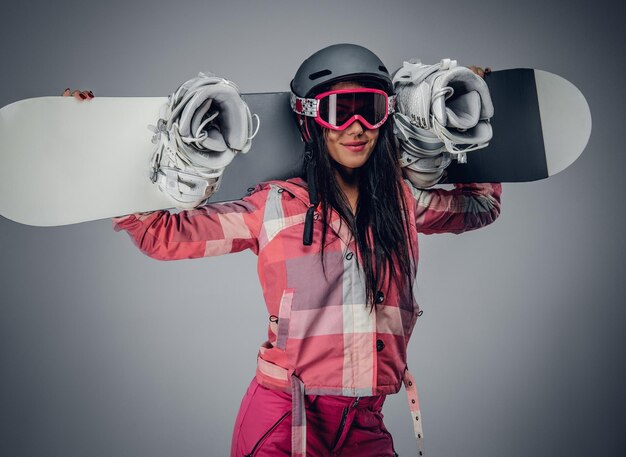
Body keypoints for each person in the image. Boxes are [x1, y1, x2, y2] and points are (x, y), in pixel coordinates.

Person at [106, 44, 500, 457]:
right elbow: (160, 235)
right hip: (283, 417)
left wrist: (471, 114)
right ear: (311, 119)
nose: (357, 127)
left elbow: (482, 206)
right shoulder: (273, 206)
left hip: (366, 419)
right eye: (338, 111)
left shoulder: (402, 202)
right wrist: (102, 148)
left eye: (371, 108)